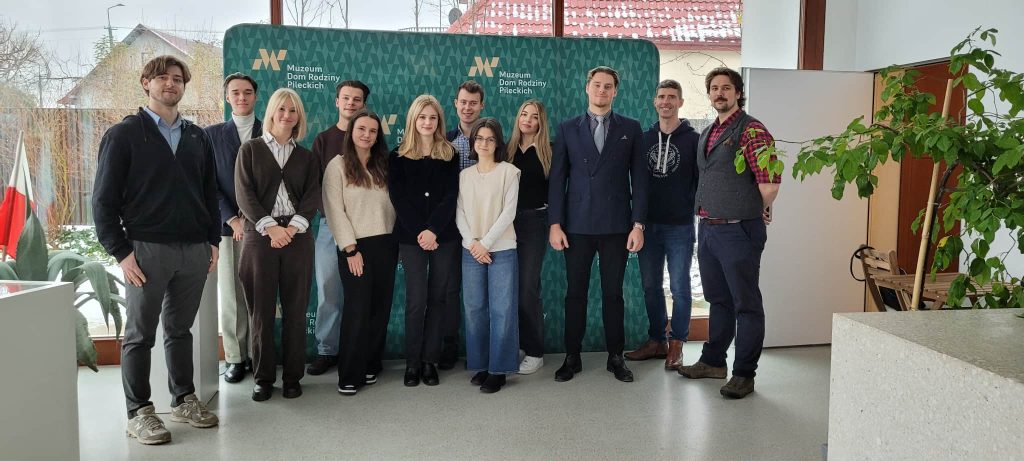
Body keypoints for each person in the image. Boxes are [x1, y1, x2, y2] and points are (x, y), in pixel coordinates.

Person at [93, 55, 220, 445]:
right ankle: (139, 412)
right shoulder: (124, 135)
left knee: (180, 330)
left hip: (194, 249)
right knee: (140, 334)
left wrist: (213, 240)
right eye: (162, 77)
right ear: (146, 83)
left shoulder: (198, 137)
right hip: (146, 250)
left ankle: (183, 399)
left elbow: (209, 192)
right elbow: (103, 201)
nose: (171, 84)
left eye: (178, 78)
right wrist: (121, 252)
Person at [677, 67, 781, 399]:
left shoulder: (752, 131)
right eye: (714, 88)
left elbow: (769, 183)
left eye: (726, 87)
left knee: (745, 304)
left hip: (738, 230)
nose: (719, 93)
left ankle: (744, 374)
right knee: (718, 300)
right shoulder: (709, 131)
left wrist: (757, 208)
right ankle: (713, 361)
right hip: (709, 229)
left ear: (738, 93)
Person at [548, 66, 648, 383]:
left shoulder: (631, 128)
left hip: (617, 226)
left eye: (608, 86)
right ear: (586, 88)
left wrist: (638, 224)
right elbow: (557, 180)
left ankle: (616, 357)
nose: (601, 91)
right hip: (576, 227)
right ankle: (572, 356)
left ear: (615, 92)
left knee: (613, 294)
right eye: (597, 85)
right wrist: (555, 224)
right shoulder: (567, 128)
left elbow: (640, 180)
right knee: (575, 293)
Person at [235, 88, 321, 402]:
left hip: (298, 239)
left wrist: (291, 228)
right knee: (261, 312)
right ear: (271, 112)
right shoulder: (250, 150)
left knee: (296, 311)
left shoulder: (307, 157)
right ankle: (263, 378)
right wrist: (271, 228)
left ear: (299, 117)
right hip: (259, 238)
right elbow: (244, 194)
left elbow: (312, 196)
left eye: (293, 110)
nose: (287, 115)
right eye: (281, 109)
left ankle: (293, 378)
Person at [624, 79, 699, 370]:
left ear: (680, 102)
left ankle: (677, 343)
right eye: (661, 97)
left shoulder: (694, 140)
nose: (666, 102)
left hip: (680, 226)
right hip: (647, 225)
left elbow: (702, 181)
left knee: (679, 286)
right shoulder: (643, 139)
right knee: (650, 286)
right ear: (655, 102)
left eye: (672, 97)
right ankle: (657, 341)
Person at [322, 110, 397, 395]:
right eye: (361, 129)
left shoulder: (384, 165)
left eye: (373, 131)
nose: (367, 135)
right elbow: (334, 210)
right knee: (358, 309)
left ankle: (370, 365)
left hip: (386, 243)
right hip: (356, 247)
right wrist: (350, 249)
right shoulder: (338, 166)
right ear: (351, 132)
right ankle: (350, 374)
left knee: (380, 309)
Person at [389, 94, 460, 387]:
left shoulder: (450, 154)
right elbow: (398, 198)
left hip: (444, 236)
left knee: (438, 298)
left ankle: (430, 361)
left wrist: (433, 230)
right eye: (422, 117)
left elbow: (451, 195)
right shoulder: (397, 155)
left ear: (439, 121)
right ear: (413, 120)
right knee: (416, 300)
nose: (427, 122)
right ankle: (413, 363)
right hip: (410, 237)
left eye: (432, 118)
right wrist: (421, 230)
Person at [308, 80, 371, 376]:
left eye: (356, 99)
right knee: (329, 289)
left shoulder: (371, 138)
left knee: (363, 293)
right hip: (330, 226)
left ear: (363, 104)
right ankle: (326, 350)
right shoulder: (323, 140)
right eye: (346, 98)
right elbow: (315, 185)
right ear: (336, 102)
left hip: (366, 227)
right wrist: (332, 216)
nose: (350, 103)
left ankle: (359, 350)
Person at [204, 72, 262, 384]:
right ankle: (236, 358)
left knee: (260, 293)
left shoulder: (271, 130)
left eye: (247, 92)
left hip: (264, 227)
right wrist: (232, 219)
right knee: (232, 296)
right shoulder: (211, 136)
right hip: (229, 229)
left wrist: (256, 219)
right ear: (227, 97)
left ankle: (257, 353)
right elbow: (208, 184)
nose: (242, 97)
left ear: (256, 96)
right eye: (236, 92)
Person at [456, 117, 521, 393]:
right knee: (474, 309)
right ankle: (481, 365)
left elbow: (509, 212)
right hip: (471, 250)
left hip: (502, 248)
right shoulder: (464, 176)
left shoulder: (509, 172)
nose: (484, 143)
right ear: (473, 143)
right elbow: (459, 212)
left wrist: (486, 243)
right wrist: (473, 243)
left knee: (502, 310)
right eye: (479, 139)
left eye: (490, 139)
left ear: (498, 143)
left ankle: (499, 369)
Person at [439, 80, 487, 369]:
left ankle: (480, 348)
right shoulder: (444, 142)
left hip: (485, 229)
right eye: (463, 102)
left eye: (473, 103)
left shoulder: (492, 140)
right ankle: (449, 346)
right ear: (455, 104)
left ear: (482, 105)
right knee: (449, 289)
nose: (468, 107)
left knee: (481, 292)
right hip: (451, 227)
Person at [506, 99, 553, 375]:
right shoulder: (507, 150)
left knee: (528, 288)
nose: (528, 119)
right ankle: (521, 345)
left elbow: (556, 192)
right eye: (524, 114)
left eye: (534, 116)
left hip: (535, 223)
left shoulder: (549, 151)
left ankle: (536, 351)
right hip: (506, 224)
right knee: (510, 289)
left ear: (540, 122)